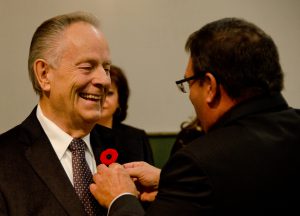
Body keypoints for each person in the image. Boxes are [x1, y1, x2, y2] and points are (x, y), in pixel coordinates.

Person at [90, 17, 300, 215]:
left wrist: (121, 198)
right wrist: (168, 181)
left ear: (210, 86)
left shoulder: (198, 162)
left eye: (189, 83)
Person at [0, 11, 111, 215]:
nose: (104, 80)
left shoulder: (132, 146)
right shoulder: (4, 160)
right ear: (44, 74)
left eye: (106, 69)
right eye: (87, 67)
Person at [93, 65, 154, 165]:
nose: (103, 99)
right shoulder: (79, 136)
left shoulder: (137, 137)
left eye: (109, 93)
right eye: (98, 92)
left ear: (119, 100)